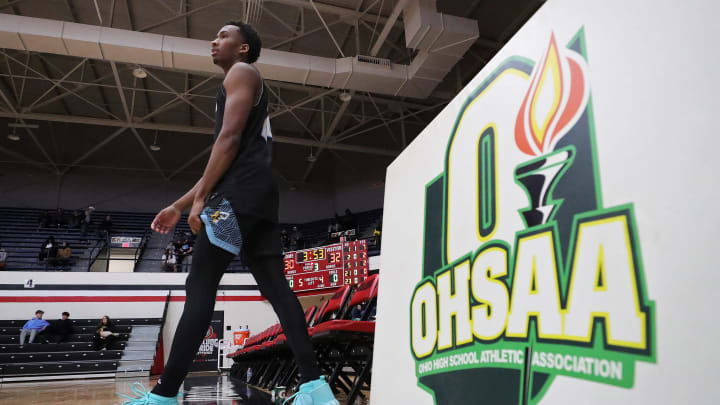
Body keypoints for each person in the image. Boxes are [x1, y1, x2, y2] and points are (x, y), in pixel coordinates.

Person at [124, 21, 336, 405]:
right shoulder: (246, 80)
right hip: (257, 196)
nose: (214, 39)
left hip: (234, 199)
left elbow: (229, 141)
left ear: (243, 49)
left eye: (223, 35)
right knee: (277, 290)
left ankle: (164, 396)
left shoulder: (242, 72)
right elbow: (230, 157)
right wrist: (180, 204)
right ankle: (315, 388)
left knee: (200, 287)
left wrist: (203, 198)